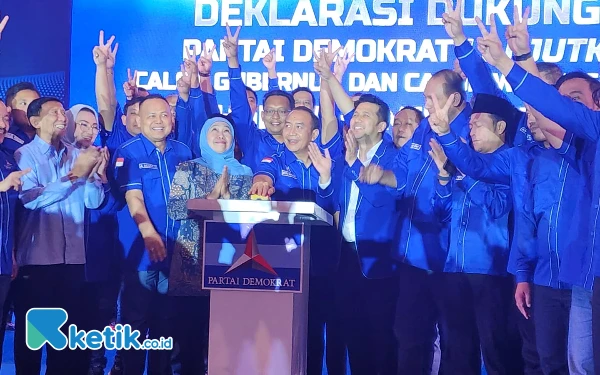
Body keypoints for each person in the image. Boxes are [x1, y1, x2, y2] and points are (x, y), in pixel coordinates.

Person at [358, 68, 471, 374]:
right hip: (412, 257)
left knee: (456, 343)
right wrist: (383, 175)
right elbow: (404, 173)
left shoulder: (471, 131)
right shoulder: (425, 130)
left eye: (432, 98)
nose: (428, 104)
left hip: (451, 260)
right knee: (408, 336)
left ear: (456, 99)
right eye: (425, 98)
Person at [431, 93, 523, 374]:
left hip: (491, 272)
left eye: (478, 124)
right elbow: (442, 215)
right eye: (469, 125)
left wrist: (463, 171)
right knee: (456, 351)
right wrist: (445, 179)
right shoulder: (465, 165)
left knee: (496, 351)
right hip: (453, 269)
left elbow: (497, 207)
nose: (471, 130)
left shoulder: (509, 160)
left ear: (500, 128)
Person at [13, 97, 106, 374]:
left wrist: (93, 175)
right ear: (35, 121)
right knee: (32, 340)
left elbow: (92, 202)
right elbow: (30, 199)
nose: (62, 117)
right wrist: (74, 177)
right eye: (54, 112)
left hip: (74, 261)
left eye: (63, 113)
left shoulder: (76, 153)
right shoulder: (24, 155)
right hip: (38, 262)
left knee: (67, 342)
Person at [249, 106, 339, 375]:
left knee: (315, 330)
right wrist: (262, 184)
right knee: (283, 332)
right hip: (283, 262)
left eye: (298, 126)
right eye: (287, 125)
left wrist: (325, 178)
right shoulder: (275, 159)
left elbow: (332, 206)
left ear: (314, 133)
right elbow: (264, 175)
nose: (290, 131)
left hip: (322, 262)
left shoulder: (328, 160)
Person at [321, 94, 400, 375]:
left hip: (379, 262)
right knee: (352, 337)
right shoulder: (345, 154)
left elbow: (383, 200)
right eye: (354, 115)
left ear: (381, 126)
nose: (356, 119)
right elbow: (332, 202)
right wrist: (325, 179)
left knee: (382, 340)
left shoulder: (394, 156)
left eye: (365, 115)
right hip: (345, 259)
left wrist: (355, 164)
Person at [167, 116, 253, 374]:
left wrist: (229, 204)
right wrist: (211, 199)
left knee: (227, 342)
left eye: (226, 130)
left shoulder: (246, 173)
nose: (220, 134)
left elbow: (251, 220)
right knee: (190, 340)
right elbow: (174, 208)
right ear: (203, 136)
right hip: (192, 264)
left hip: (232, 266)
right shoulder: (188, 168)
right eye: (213, 129)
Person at [113, 94, 192, 374]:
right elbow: (134, 199)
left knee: (165, 325)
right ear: (139, 120)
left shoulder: (183, 152)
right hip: (142, 256)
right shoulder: (128, 151)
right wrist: (148, 232)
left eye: (164, 115)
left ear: (172, 118)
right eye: (151, 116)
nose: (158, 122)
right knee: (135, 323)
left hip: (175, 253)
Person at [3, 82, 41, 154]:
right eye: (23, 103)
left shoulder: (49, 137)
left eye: (35, 103)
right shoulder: (3, 139)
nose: (31, 108)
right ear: (9, 109)